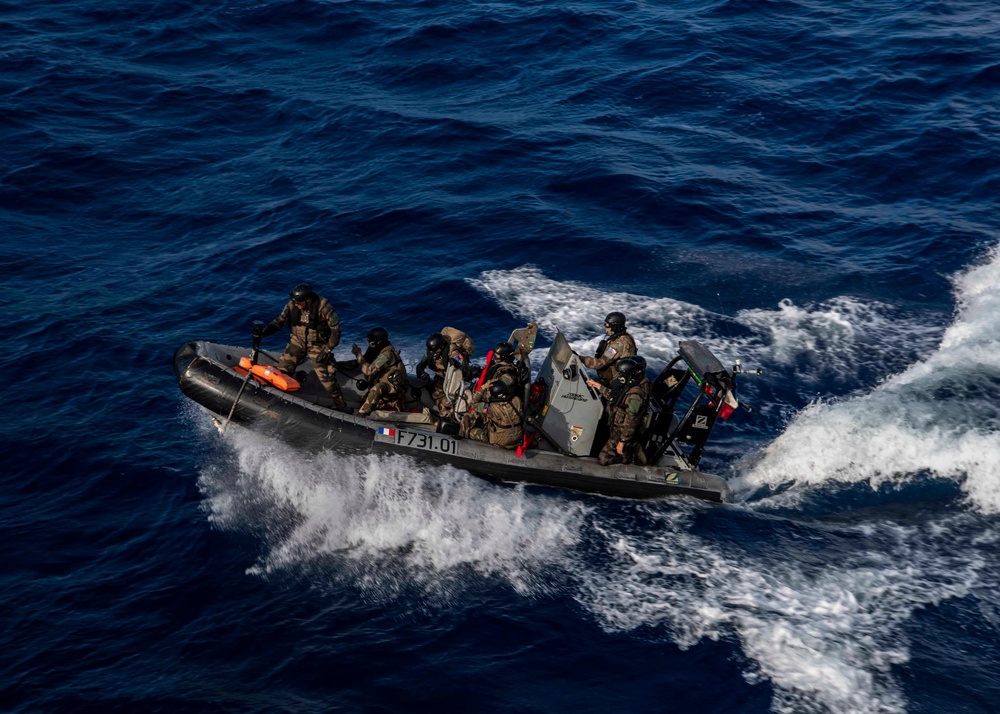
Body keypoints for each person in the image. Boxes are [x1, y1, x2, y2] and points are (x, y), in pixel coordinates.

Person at [260, 282, 346, 408]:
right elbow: (280, 321)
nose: (296, 304)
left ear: (307, 300)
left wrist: (327, 350)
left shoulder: (324, 309)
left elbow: (336, 331)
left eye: (298, 302)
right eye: (294, 301)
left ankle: (340, 405)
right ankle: (278, 395)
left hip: (317, 344)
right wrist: (264, 332)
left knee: (325, 377)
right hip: (298, 341)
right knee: (283, 370)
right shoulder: (292, 305)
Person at [586, 356, 650, 465]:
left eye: (621, 374)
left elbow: (632, 421)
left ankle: (629, 457)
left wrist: (623, 441)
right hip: (615, 425)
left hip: (621, 432)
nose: (619, 376)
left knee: (603, 459)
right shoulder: (627, 385)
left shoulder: (635, 396)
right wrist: (597, 386)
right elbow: (613, 396)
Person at [349, 327, 408, 417]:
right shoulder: (375, 349)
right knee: (363, 400)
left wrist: (358, 355)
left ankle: (361, 415)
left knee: (376, 389)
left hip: (392, 388)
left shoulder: (386, 354)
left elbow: (368, 371)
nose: (369, 343)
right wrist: (339, 364)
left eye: (371, 341)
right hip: (385, 385)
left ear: (378, 341)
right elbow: (362, 362)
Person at [459, 380, 524, 449]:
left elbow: (473, 404)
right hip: (517, 437)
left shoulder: (490, 408)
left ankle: (463, 445)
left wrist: (483, 388)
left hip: (500, 441)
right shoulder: (517, 401)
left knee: (471, 431)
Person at [580, 311, 637, 386]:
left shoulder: (617, 345)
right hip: (621, 380)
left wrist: (580, 359)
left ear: (614, 326)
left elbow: (599, 363)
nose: (606, 327)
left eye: (607, 325)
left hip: (615, 384)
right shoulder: (627, 337)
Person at [415, 332, 456, 417]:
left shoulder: (452, 353)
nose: (433, 353)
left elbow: (464, 368)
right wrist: (422, 373)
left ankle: (454, 412)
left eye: (435, 350)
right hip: (440, 379)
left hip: (454, 380)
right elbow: (420, 365)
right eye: (431, 350)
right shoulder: (430, 353)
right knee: (434, 395)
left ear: (441, 347)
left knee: (451, 400)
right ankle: (445, 413)